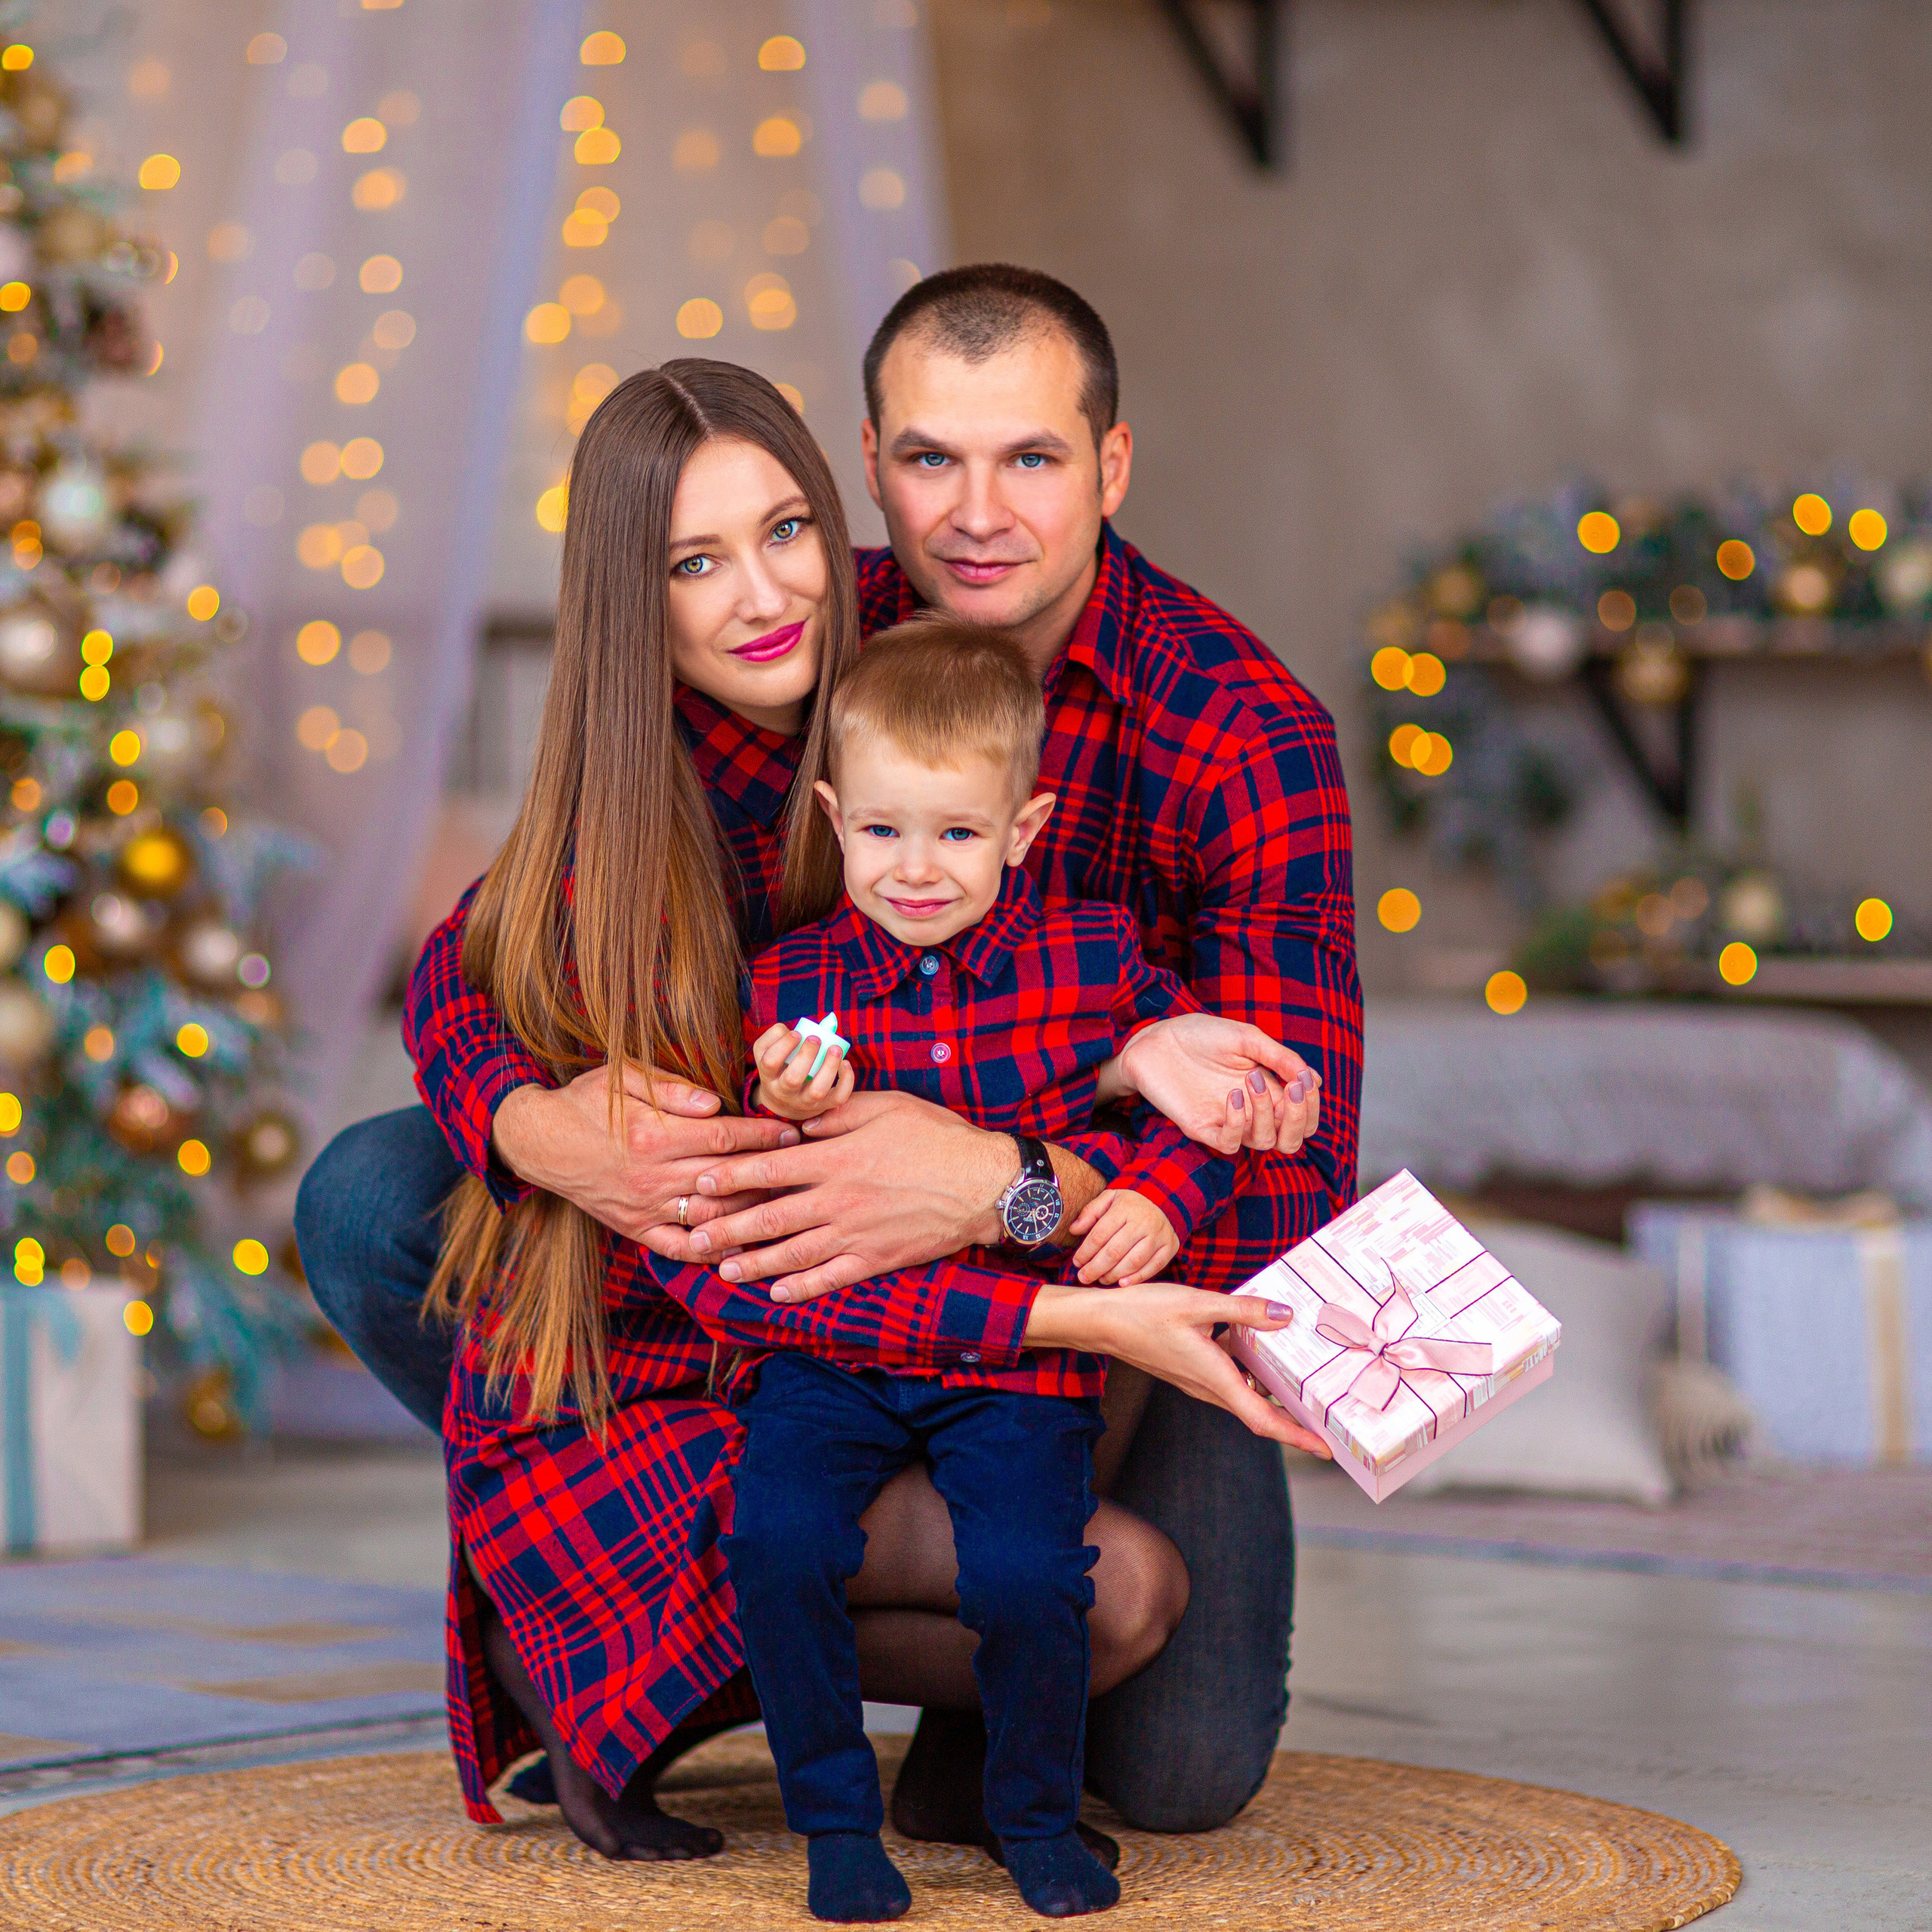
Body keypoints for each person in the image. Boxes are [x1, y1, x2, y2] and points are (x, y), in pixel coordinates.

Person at [297, 263, 1361, 1841]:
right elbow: (479, 951)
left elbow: (1296, 1189)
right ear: (867, 463)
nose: (977, 512)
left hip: (1099, 1285)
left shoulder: (1237, 729)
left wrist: (1006, 1184)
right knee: (382, 1190)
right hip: (798, 1275)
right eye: (931, 458)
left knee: (1179, 1760)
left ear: (1111, 467)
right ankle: (647, 1587)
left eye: (1033, 459)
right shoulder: (794, 625)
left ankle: (841, 1635)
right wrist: (534, 1122)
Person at [724, 621, 1321, 1921]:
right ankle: (835, 1822)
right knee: (775, 1538)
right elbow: (766, 1165)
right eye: (882, 833)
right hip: (838, 1346)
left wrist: (1160, 1196)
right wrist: (783, 1092)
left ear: (1025, 827)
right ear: (834, 818)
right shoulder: (796, 979)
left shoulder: (1094, 964)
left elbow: (1216, 1107)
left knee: (1028, 1572)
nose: (918, 870)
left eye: (955, 833)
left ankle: (1027, 1810)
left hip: (1016, 1361)